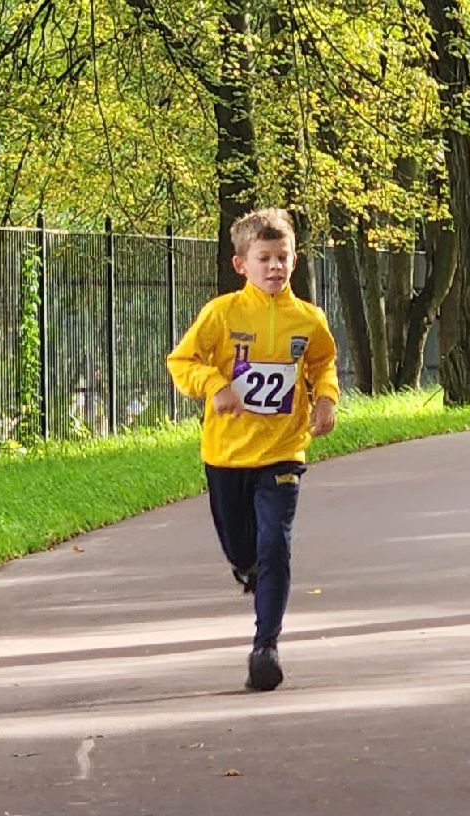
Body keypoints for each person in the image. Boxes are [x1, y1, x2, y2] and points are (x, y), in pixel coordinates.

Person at [167, 208, 339, 691]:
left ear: (295, 260)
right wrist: (214, 384)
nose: (275, 267)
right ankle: (249, 572)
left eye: (282, 257)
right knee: (243, 549)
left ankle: (266, 646)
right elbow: (182, 361)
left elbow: (323, 361)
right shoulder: (222, 314)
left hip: (283, 450)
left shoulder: (307, 319)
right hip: (226, 454)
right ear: (241, 264)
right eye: (264, 258)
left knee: (274, 545)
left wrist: (325, 398)